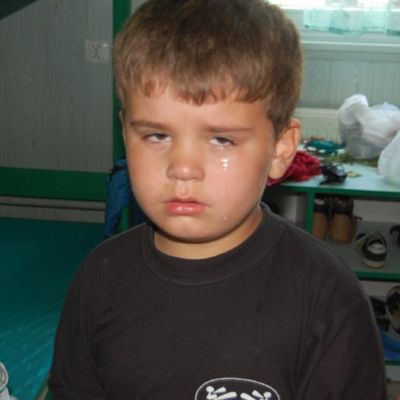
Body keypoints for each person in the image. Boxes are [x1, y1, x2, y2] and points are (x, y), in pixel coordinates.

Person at [48, 0, 388, 399]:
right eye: (156, 135)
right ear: (126, 134)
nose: (182, 168)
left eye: (222, 139)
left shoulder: (327, 298)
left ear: (280, 149)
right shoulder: (99, 280)